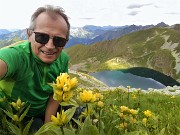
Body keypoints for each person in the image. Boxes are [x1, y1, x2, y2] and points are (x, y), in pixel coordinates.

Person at [0, 4, 70, 130]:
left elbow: (56, 95)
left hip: (42, 111)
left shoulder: (63, 59)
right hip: (15, 114)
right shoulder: (15, 55)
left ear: (66, 42)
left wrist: (48, 127)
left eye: (59, 40)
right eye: (42, 37)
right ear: (29, 35)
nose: (49, 46)